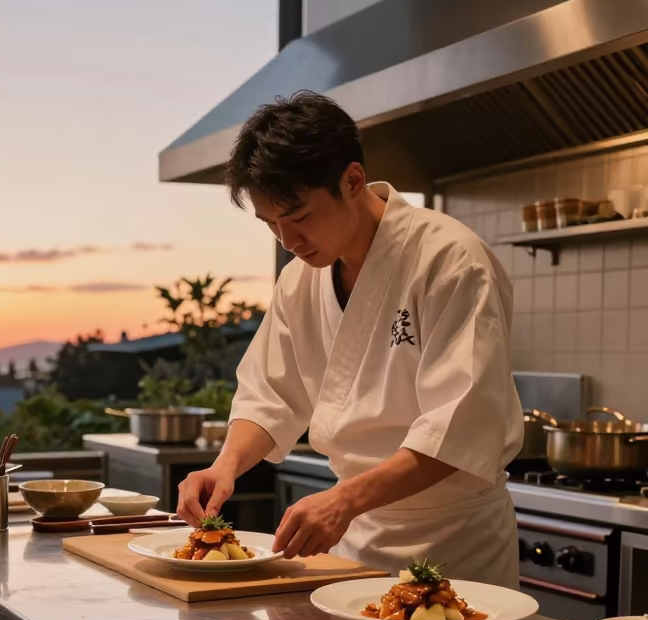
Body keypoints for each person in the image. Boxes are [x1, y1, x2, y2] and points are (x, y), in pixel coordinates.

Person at [176, 91, 523, 587]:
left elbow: (458, 428)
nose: (287, 241)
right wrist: (225, 466)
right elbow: (272, 394)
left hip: (453, 541)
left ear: (353, 180)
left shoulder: (451, 261)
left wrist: (344, 499)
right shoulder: (300, 280)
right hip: (354, 537)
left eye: (297, 217)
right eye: (270, 224)